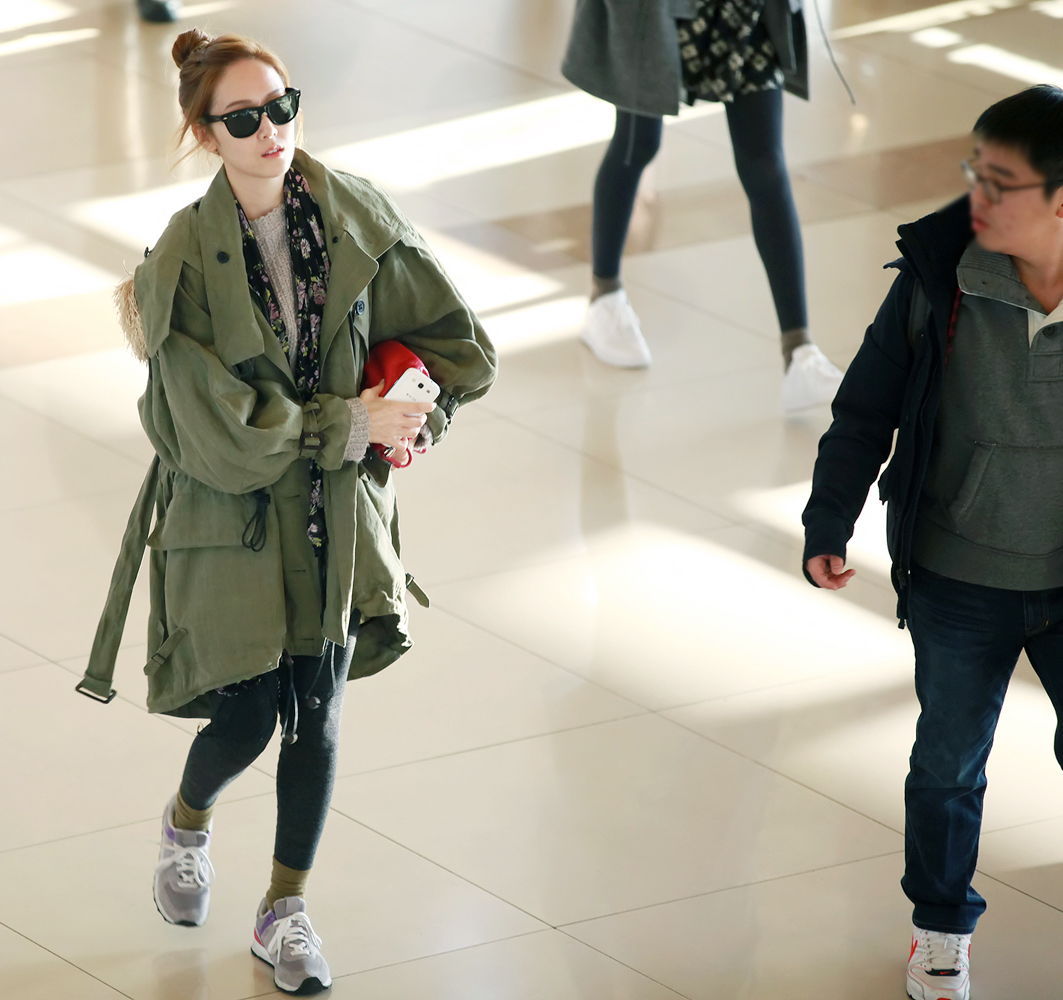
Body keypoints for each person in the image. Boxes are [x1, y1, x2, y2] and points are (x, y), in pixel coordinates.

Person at [77, 29, 497, 995]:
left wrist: (415, 412)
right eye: (244, 119)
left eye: (282, 106)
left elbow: (458, 344)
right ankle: (187, 823)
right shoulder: (183, 259)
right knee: (248, 714)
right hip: (231, 515)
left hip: (339, 511)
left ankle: (285, 910)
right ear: (204, 134)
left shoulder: (355, 216)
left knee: (319, 712)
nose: (271, 131)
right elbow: (214, 432)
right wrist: (348, 421)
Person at [802, 85, 1063, 1000]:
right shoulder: (937, 279)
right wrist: (828, 520)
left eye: (1000, 182)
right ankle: (941, 930)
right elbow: (865, 407)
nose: (974, 196)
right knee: (948, 764)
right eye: (973, 172)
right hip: (960, 575)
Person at [562, 0, 846, 411]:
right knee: (637, 142)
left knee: (765, 164)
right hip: (657, 11)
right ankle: (604, 297)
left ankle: (799, 351)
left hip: (744, 9)